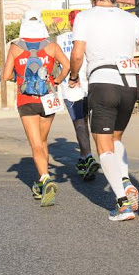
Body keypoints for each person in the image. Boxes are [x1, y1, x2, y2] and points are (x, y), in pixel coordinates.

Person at [70, 0, 139, 221]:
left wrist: (74, 75)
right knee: (117, 137)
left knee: (103, 143)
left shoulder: (85, 17)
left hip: (103, 80)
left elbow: (77, 53)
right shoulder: (130, 18)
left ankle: (122, 203)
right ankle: (126, 181)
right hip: (129, 83)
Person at [2, 10, 70, 206]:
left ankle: (45, 178)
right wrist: (56, 80)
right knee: (43, 140)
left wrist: (19, 78)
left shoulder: (15, 47)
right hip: (48, 98)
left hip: (26, 100)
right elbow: (66, 66)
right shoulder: (52, 46)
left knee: (36, 144)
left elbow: (6, 76)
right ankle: (42, 181)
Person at [57, 9, 100, 179]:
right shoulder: (90, 37)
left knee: (80, 123)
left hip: (75, 85)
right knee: (84, 122)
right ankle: (85, 157)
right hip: (85, 84)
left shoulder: (61, 39)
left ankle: (86, 157)